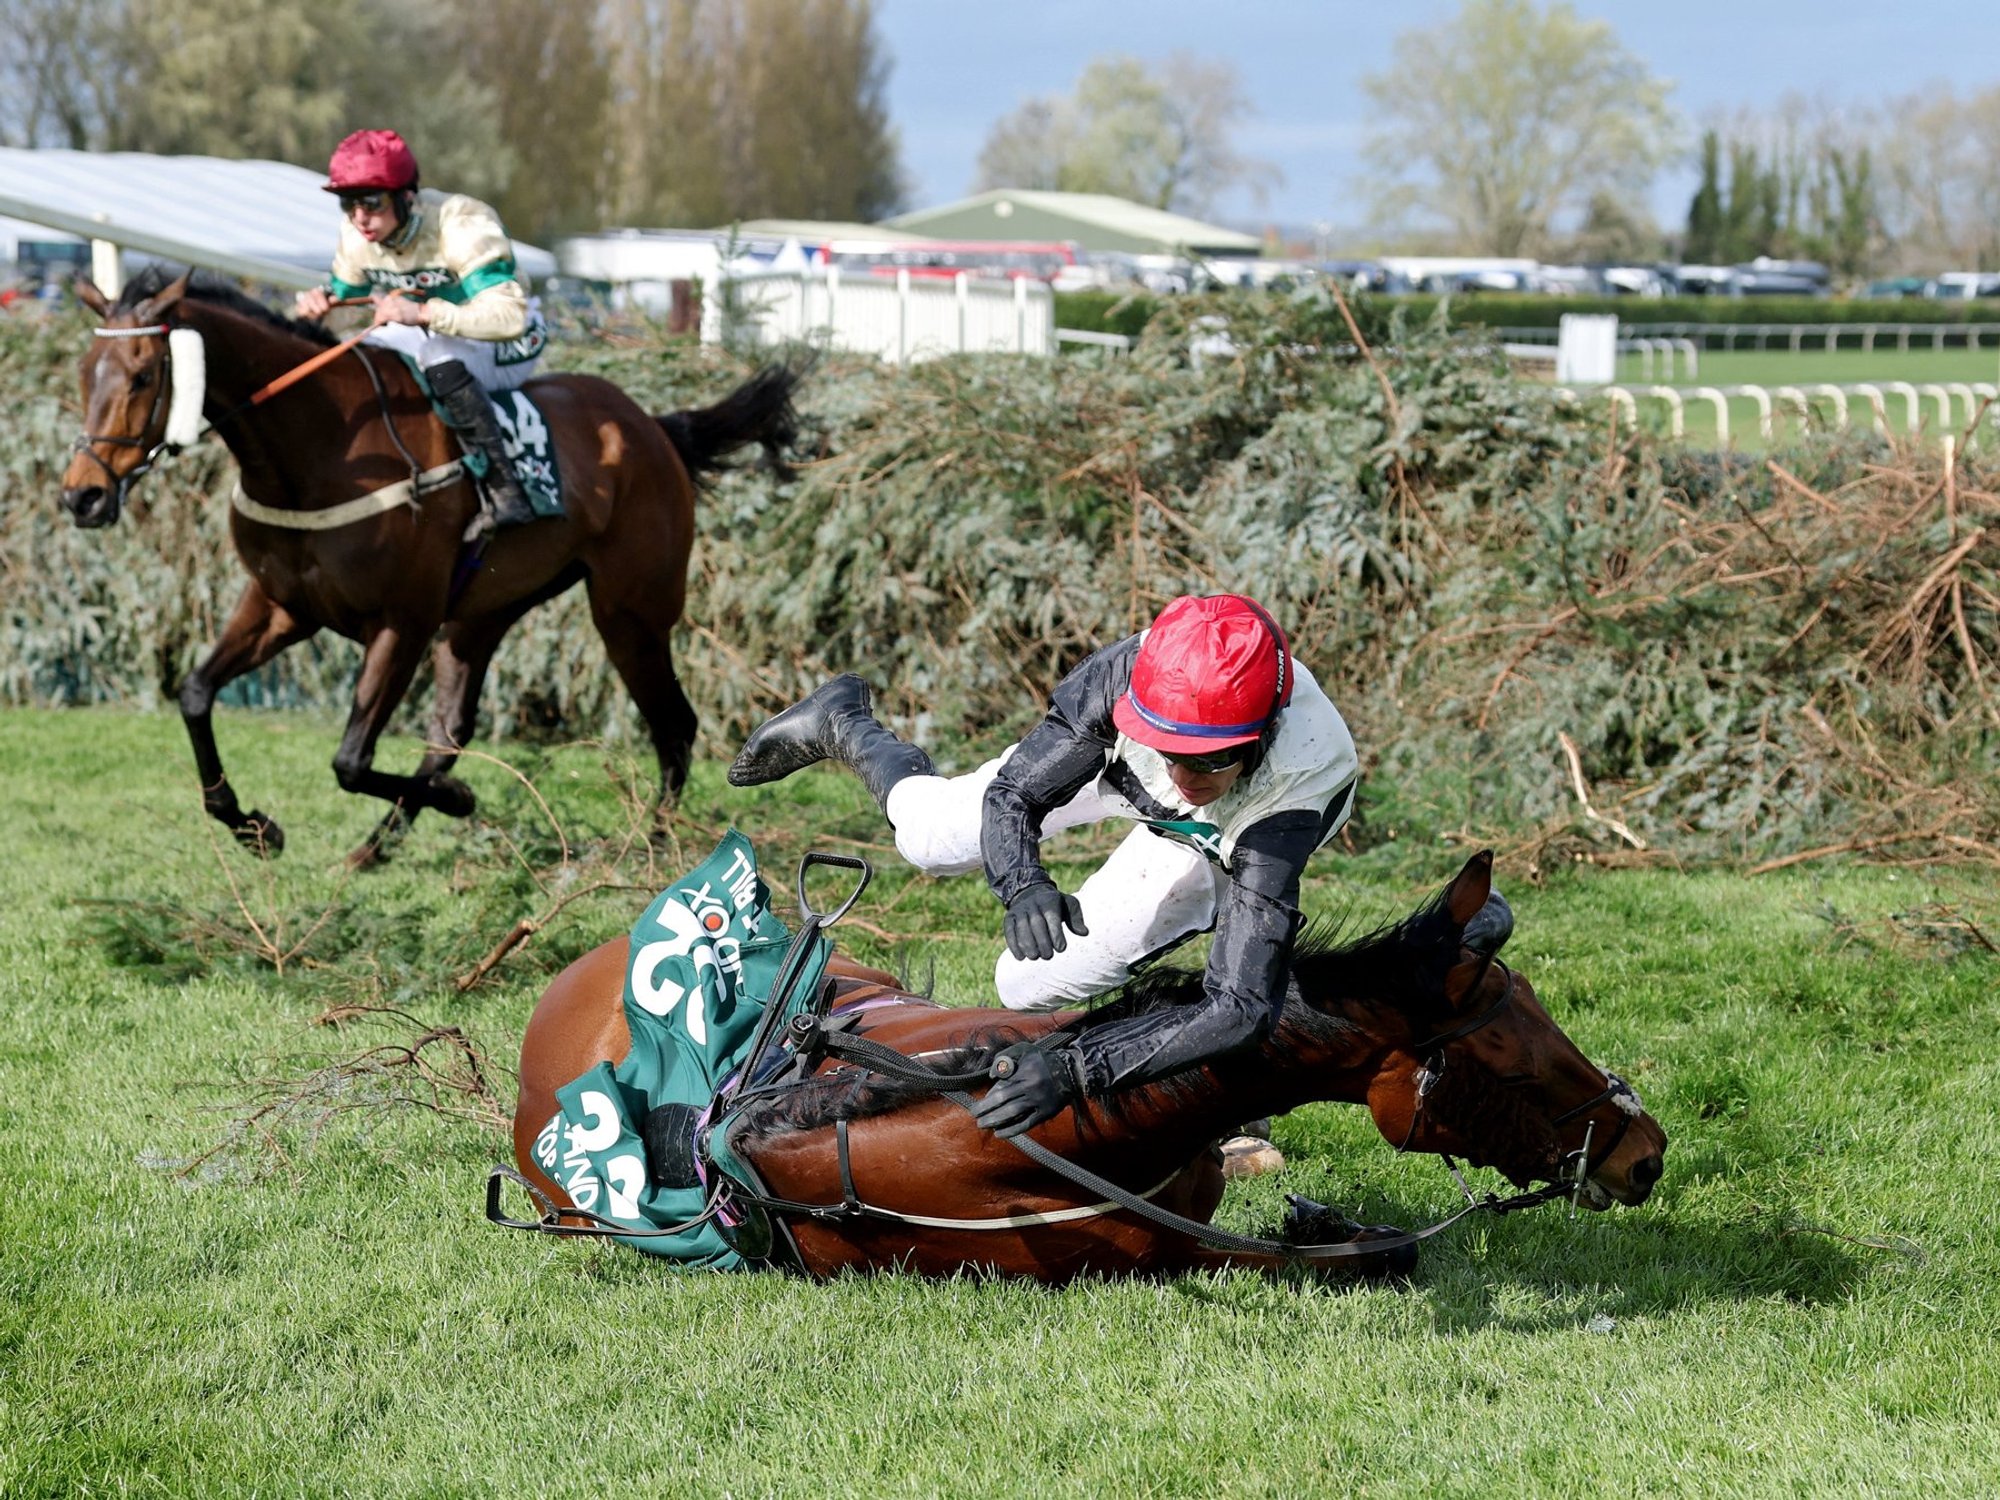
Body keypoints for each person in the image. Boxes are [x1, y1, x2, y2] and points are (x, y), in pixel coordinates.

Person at [728, 593, 1360, 1152]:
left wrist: (1078, 1070)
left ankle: (1220, 1102)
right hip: (1119, 768)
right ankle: (843, 720)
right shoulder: (1128, 677)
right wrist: (1024, 883)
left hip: (1221, 838)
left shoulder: (1294, 790)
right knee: (929, 841)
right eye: (1170, 751)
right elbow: (1014, 795)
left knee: (1029, 984)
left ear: (1261, 733)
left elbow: (1244, 1006)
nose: (1182, 776)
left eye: (1209, 759)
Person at [294, 128, 544, 534]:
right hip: (432, 329)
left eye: (371, 202)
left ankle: (506, 491)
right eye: (348, 203)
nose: (359, 218)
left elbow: (507, 318)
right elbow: (345, 311)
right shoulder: (356, 236)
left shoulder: (461, 222)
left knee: (439, 359)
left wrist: (423, 313)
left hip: (508, 339)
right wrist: (317, 311)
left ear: (406, 196)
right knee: (366, 359)